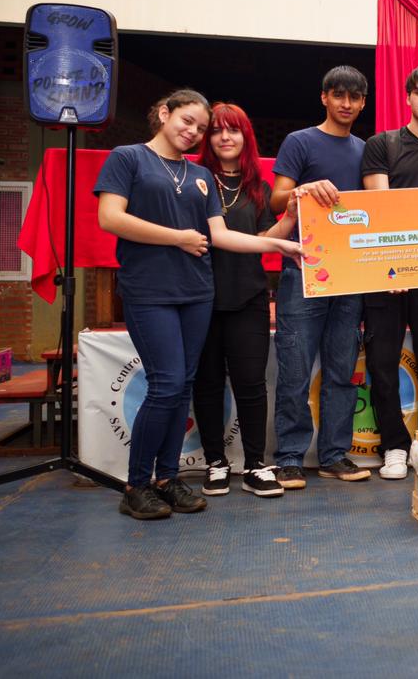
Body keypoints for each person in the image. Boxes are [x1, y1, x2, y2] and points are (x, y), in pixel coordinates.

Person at [94, 90, 300, 520]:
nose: (194, 131)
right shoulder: (127, 158)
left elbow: (222, 236)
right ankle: (137, 485)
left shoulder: (199, 176)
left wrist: (279, 243)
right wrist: (178, 238)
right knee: (167, 384)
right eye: (188, 121)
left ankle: (167, 479)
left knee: (182, 386)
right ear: (164, 113)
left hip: (197, 294)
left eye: (200, 128)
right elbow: (110, 218)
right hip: (150, 291)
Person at [270, 65, 371, 489]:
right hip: (303, 272)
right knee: (294, 369)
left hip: (351, 277)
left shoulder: (367, 149)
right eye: (339, 95)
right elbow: (277, 196)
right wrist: (304, 191)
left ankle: (334, 454)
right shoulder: (300, 142)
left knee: (342, 370)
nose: (346, 104)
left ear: (363, 103)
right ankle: (290, 457)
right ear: (324, 97)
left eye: (355, 97)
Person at [193, 102, 298, 498]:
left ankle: (256, 464)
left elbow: (270, 239)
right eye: (217, 130)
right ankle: (215, 464)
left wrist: (289, 215)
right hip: (201, 300)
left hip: (249, 298)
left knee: (252, 385)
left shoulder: (259, 187)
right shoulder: (195, 179)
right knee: (205, 385)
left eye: (233, 130)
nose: (224, 137)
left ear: (245, 137)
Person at [359, 64, 418, 480]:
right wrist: (395, 265)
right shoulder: (382, 145)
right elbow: (382, 210)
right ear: (409, 97)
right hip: (388, 273)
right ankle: (394, 446)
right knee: (382, 360)